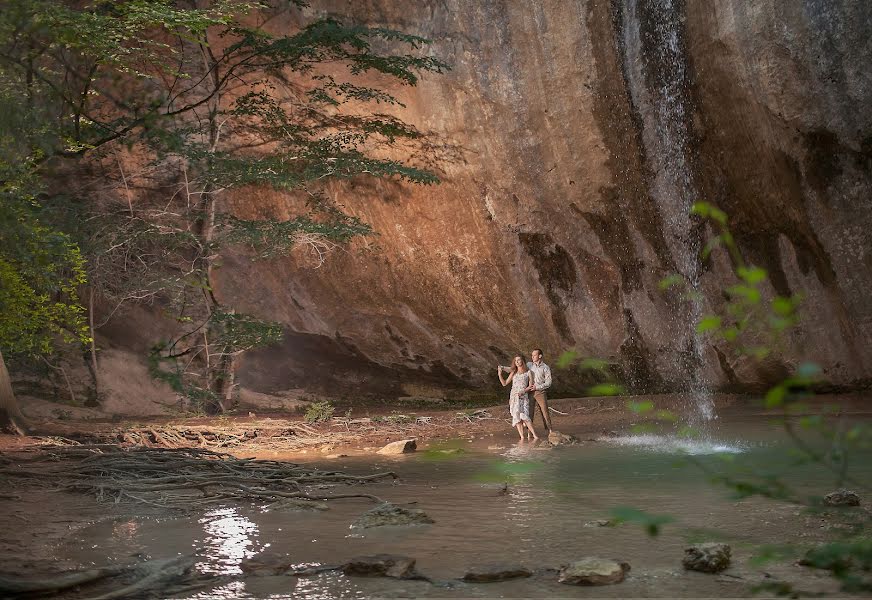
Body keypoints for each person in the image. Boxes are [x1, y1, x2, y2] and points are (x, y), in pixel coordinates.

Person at [498, 355, 539, 441]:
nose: (517, 362)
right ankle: (522, 437)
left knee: (525, 416)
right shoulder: (514, 372)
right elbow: (504, 383)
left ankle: (535, 436)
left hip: (523, 396)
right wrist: (500, 374)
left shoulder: (528, 372)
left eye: (519, 360)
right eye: (515, 360)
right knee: (517, 417)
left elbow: (531, 385)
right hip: (514, 397)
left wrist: (523, 391)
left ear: (522, 361)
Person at [525, 348, 553, 434]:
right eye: (532, 355)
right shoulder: (529, 365)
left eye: (534, 355)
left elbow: (549, 382)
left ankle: (550, 430)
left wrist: (537, 387)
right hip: (529, 392)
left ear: (540, 356)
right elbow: (517, 369)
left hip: (540, 392)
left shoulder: (545, 367)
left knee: (544, 411)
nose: (532, 357)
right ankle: (529, 432)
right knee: (530, 412)